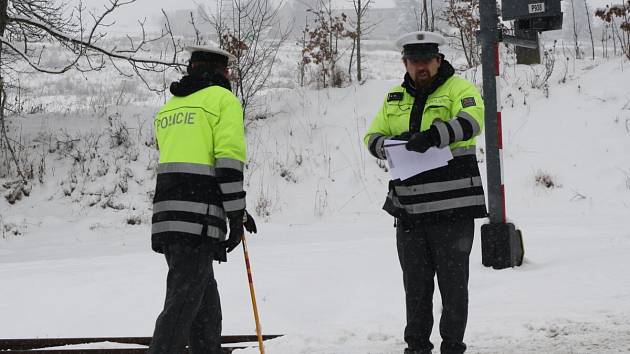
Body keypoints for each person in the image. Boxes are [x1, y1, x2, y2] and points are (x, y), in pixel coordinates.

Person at [363, 31, 487, 354]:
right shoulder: (394, 98)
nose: (421, 67)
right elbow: (372, 136)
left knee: (453, 288)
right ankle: (416, 348)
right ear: (405, 63)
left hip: (452, 211)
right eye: (414, 61)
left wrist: (435, 135)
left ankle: (452, 347)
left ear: (438, 60)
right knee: (415, 290)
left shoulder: (459, 88)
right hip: (410, 214)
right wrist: (388, 145)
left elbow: (473, 120)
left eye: (426, 61)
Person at [148, 45, 257, 354]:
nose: (230, 77)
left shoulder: (170, 107)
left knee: (206, 314)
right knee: (180, 313)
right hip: (198, 223)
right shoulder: (223, 101)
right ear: (218, 71)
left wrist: (239, 213)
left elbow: (188, 162)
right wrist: (236, 214)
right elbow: (228, 164)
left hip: (169, 219)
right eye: (228, 72)